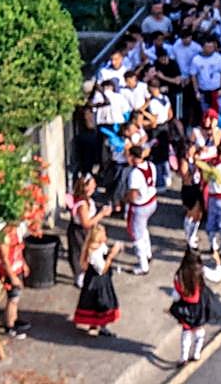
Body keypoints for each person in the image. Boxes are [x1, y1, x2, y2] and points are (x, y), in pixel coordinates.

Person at [72, 224, 121, 337]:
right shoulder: (93, 252)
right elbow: (101, 269)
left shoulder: (99, 246)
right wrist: (111, 256)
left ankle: (95, 324)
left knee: (94, 303)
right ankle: (100, 326)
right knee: (102, 303)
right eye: (104, 234)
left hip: (96, 281)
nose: (106, 236)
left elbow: (105, 251)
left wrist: (113, 250)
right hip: (98, 282)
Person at [66, 173, 112, 288]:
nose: (94, 186)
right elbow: (86, 223)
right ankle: (81, 278)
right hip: (80, 232)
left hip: (84, 231)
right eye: (92, 184)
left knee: (89, 253)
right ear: (85, 187)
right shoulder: (83, 205)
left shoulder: (86, 200)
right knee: (81, 253)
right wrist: (101, 214)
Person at [169, 249, 214, 366]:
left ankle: (184, 357)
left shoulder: (179, 275)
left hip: (185, 306)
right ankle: (197, 354)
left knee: (186, 331)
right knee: (199, 330)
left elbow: (175, 295)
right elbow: (217, 276)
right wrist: (218, 263)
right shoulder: (201, 271)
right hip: (199, 306)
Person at [125, 143, 158, 275]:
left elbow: (133, 195)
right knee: (144, 229)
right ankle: (148, 253)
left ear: (133, 157)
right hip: (152, 202)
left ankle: (143, 265)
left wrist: (125, 200)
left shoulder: (134, 173)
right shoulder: (151, 166)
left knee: (137, 235)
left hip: (140, 206)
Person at [0, 222, 31, 338]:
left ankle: (14, 319)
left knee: (16, 298)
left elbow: (19, 251)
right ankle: (9, 325)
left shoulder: (15, 232)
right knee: (13, 299)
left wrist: (24, 264)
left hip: (18, 268)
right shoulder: (4, 237)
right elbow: (5, 260)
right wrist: (12, 277)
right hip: (11, 273)